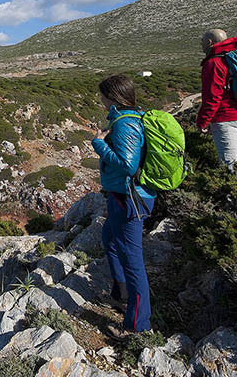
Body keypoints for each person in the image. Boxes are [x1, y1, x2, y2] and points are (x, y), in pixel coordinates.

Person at [92, 74, 155, 335]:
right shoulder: (126, 119)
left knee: (133, 260)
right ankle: (121, 294)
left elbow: (127, 165)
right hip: (122, 196)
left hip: (130, 198)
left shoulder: (126, 124)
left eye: (102, 95)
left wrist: (98, 144)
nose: (100, 99)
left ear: (112, 97)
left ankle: (138, 326)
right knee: (109, 237)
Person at [196, 29, 237, 170]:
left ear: (209, 42)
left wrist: (202, 121)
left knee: (229, 165)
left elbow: (212, 97)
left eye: (202, 41)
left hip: (226, 117)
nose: (201, 44)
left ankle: (233, 189)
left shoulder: (214, 62)